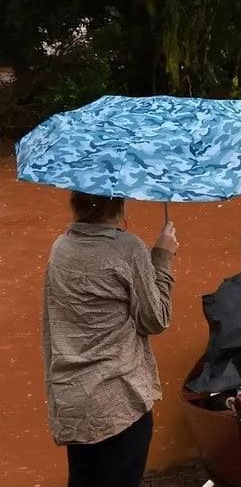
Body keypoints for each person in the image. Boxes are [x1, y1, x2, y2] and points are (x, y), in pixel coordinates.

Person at [42, 191, 178, 487]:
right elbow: (156, 319)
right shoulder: (128, 249)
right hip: (119, 402)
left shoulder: (60, 248)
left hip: (74, 402)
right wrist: (163, 257)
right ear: (119, 202)